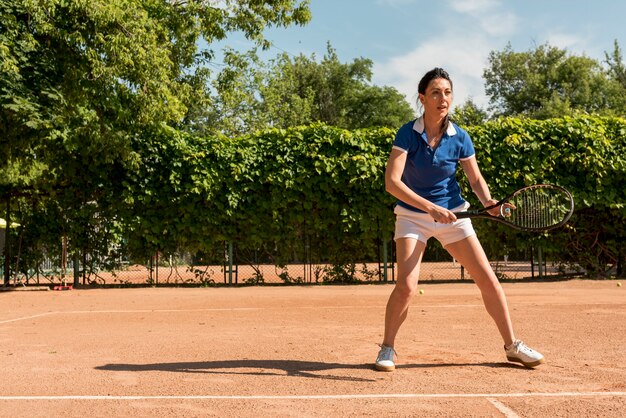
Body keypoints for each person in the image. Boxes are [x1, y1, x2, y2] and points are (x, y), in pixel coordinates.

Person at [375, 67, 544, 372]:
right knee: (407, 286)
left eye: (448, 92)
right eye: (436, 92)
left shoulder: (460, 137)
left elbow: (475, 178)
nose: (443, 98)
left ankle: (512, 346)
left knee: (488, 280)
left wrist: (489, 202)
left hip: (454, 214)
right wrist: (430, 208)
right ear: (422, 98)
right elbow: (392, 183)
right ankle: (387, 348)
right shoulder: (407, 134)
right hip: (413, 217)